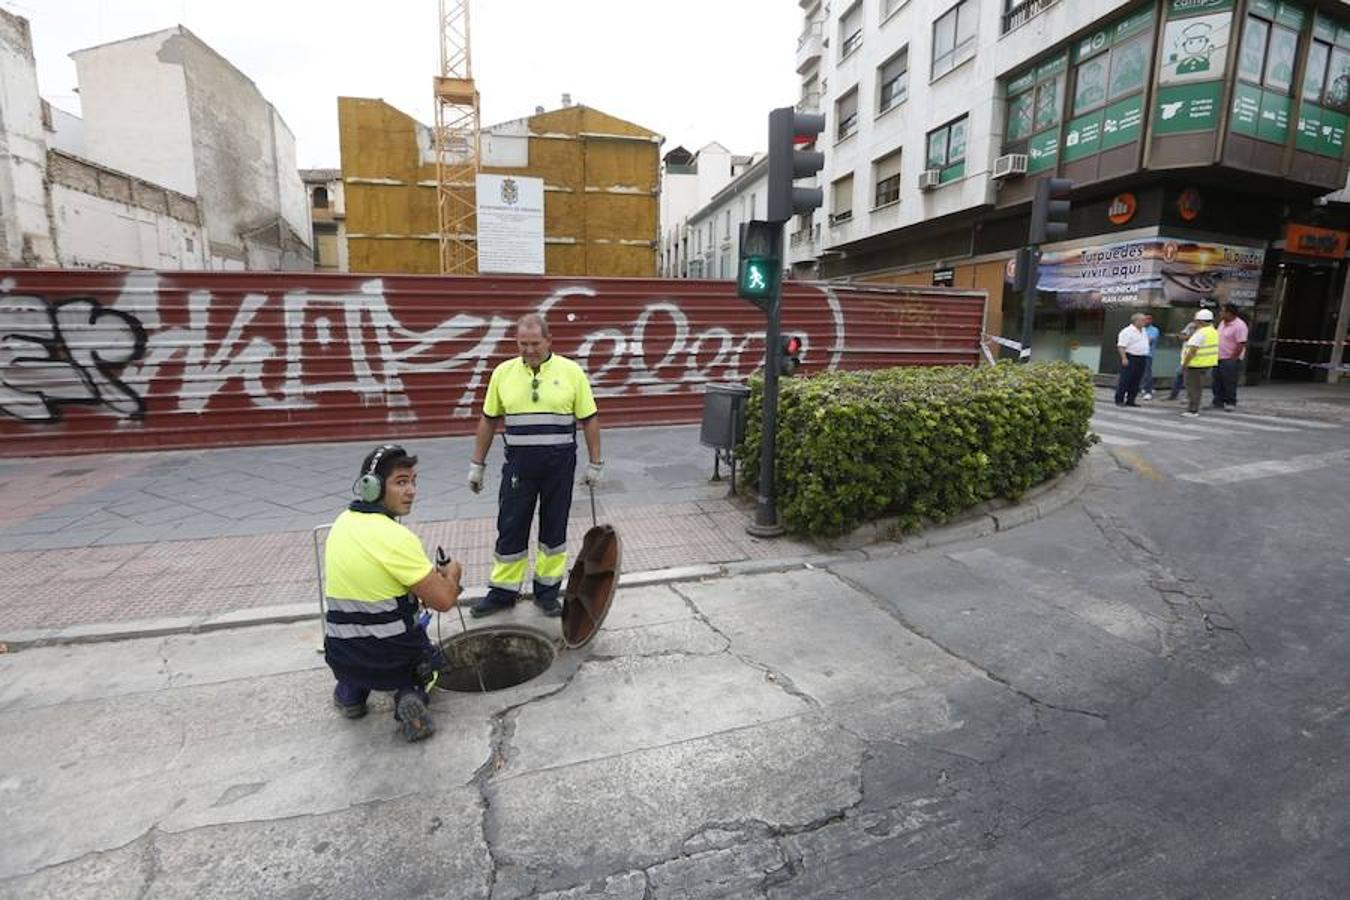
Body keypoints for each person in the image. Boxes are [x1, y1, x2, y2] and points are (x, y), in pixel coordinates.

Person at [324, 444, 463, 742]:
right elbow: (444, 601)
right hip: (390, 657)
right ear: (371, 487)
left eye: (413, 481)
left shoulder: (340, 524)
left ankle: (350, 695)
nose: (411, 491)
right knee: (427, 667)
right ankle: (409, 697)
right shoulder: (397, 538)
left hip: (341, 653)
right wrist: (452, 574)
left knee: (358, 659)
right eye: (401, 482)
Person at [467, 313, 602, 618]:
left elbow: (590, 419)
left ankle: (547, 593)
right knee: (511, 527)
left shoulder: (571, 372)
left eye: (535, 344)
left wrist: (596, 463)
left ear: (549, 340)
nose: (528, 350)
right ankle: (502, 593)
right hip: (519, 467)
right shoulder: (502, 373)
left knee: (554, 530)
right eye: (522, 344)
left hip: (559, 467)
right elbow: (488, 420)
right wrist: (477, 464)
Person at [1179, 309, 1219, 417]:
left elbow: (1192, 350)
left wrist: (1185, 364)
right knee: (1198, 387)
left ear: (1200, 321)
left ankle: (1192, 410)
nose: (1195, 322)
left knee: (1192, 388)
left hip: (1195, 364)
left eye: (1196, 320)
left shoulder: (1201, 333)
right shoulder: (1213, 331)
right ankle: (1193, 408)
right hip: (1206, 364)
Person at [1212, 303, 1248, 410]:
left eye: (1222, 311)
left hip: (1230, 358)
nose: (1220, 313)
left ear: (1229, 313)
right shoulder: (1222, 323)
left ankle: (1230, 402)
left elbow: (1241, 343)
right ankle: (1218, 401)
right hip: (1218, 357)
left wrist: (1233, 358)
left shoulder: (1240, 326)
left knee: (1229, 381)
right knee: (1217, 380)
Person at [1114, 312, 1150, 407]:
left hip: (1142, 357)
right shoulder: (1127, 331)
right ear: (1136, 321)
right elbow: (1121, 346)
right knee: (1125, 379)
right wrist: (1124, 358)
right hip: (1131, 357)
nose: (1145, 322)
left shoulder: (1144, 330)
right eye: (1143, 320)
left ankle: (1131, 400)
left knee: (1136, 380)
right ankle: (1119, 399)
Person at [1167, 318, 1198, 401]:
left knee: (1190, 378)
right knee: (1179, 375)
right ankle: (1173, 395)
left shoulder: (1203, 329)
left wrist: (1186, 337)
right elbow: (1182, 335)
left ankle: (1189, 397)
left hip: (1195, 357)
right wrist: (1181, 336)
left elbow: (1191, 338)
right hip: (1185, 355)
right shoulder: (1190, 325)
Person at [1142, 314, 1160, 400]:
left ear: (1151, 320)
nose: (1146, 321)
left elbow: (1149, 341)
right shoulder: (1141, 329)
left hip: (1148, 354)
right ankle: (1144, 387)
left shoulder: (1154, 330)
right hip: (1138, 354)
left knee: (1147, 373)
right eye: (1144, 319)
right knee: (1139, 372)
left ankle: (1148, 392)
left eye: (1148, 319)